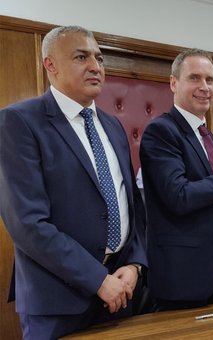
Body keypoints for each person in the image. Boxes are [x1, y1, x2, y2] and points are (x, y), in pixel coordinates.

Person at [0, 26, 147, 340]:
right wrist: (98, 280)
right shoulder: (19, 122)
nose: (96, 66)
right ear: (50, 64)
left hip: (119, 294)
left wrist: (134, 263)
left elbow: (130, 204)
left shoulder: (113, 126)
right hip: (57, 302)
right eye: (82, 57)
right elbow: (28, 223)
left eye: (99, 58)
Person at [139, 48, 213, 310]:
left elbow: (209, 182)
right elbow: (179, 195)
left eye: (210, 80)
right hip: (183, 276)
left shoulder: (204, 133)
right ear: (174, 83)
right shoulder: (161, 131)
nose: (204, 87)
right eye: (195, 78)